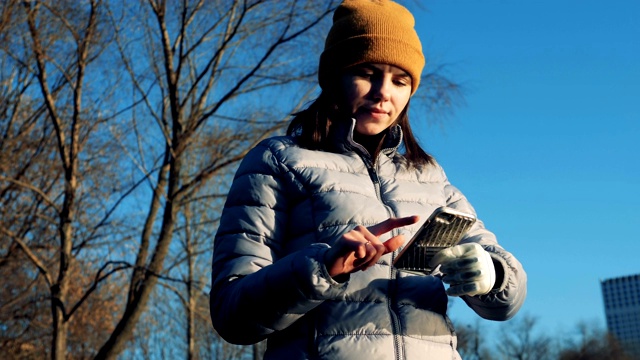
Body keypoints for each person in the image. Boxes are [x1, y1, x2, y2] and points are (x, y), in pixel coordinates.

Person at [210, 0, 527, 359]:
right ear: (334, 76)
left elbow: (506, 301)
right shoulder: (278, 161)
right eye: (367, 72)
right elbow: (231, 313)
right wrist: (323, 269)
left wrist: (492, 275)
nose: (383, 92)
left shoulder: (429, 176)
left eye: (400, 80)